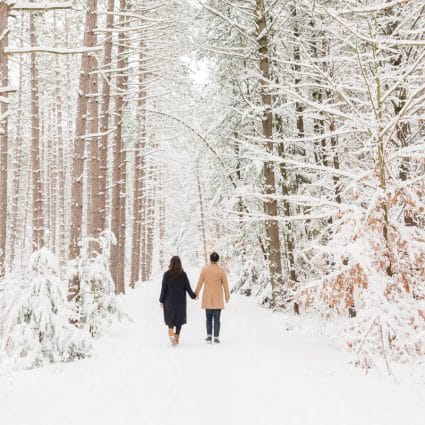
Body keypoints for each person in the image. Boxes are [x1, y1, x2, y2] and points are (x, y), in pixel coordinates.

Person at [159, 256, 196, 346]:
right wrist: (193, 296)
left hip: (169, 301)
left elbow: (164, 289)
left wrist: (161, 300)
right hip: (180, 302)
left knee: (170, 319)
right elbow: (188, 288)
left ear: (171, 263)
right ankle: (177, 338)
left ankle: (171, 335)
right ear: (180, 264)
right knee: (179, 320)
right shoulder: (183, 274)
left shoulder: (166, 274)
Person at [195, 252, 230, 344]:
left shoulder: (205, 270)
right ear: (217, 260)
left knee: (208, 318)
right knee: (217, 319)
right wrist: (227, 296)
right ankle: (216, 337)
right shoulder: (221, 271)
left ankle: (209, 336)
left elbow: (200, 283)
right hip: (218, 298)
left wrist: (196, 293)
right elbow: (225, 285)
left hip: (207, 298)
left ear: (210, 259)